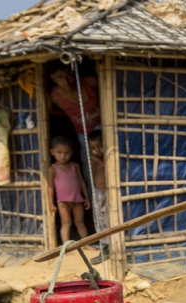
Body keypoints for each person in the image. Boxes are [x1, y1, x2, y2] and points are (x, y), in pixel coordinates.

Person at [49, 63, 101, 181]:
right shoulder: (55, 97)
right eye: (60, 77)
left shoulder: (90, 83)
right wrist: (69, 114)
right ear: (53, 78)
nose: (66, 81)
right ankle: (94, 194)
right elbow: (51, 111)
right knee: (88, 162)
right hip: (82, 133)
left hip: (102, 126)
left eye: (69, 75)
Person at [46, 135, 91, 244]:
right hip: (62, 202)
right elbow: (50, 187)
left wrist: (86, 198)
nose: (63, 156)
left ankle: (86, 244)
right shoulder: (52, 169)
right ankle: (66, 247)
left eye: (66, 153)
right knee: (66, 223)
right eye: (59, 152)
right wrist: (51, 203)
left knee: (80, 223)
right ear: (52, 152)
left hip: (77, 200)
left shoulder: (74, 166)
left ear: (71, 152)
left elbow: (81, 182)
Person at [88, 129, 109, 262]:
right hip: (97, 192)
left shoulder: (108, 158)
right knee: (99, 219)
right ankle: (104, 247)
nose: (97, 150)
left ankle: (109, 248)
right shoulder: (93, 160)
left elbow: (107, 169)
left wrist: (97, 160)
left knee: (108, 219)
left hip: (108, 193)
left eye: (100, 146)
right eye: (93, 148)